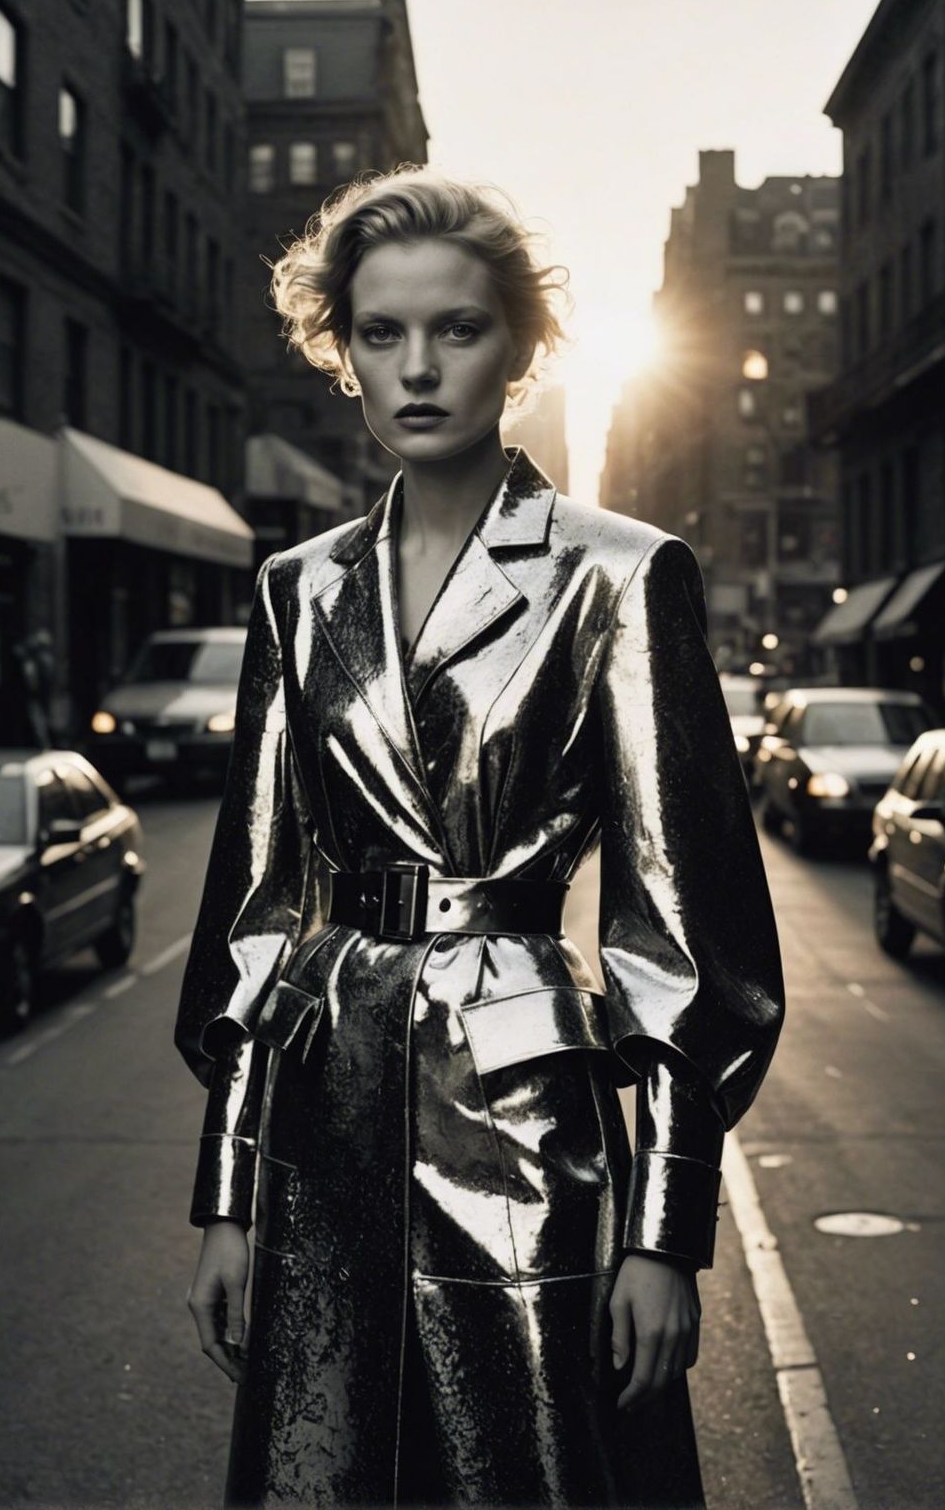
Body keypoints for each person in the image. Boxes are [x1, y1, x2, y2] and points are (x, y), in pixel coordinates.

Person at [174, 167, 785, 1509]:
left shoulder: (622, 575)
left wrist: (668, 1235)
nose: (417, 368)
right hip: (324, 1121)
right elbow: (257, 918)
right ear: (342, 354)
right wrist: (229, 1194)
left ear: (522, 346)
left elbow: (687, 934)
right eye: (381, 333)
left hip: (522, 1119)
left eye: (457, 329)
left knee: (535, 1473)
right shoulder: (297, 587)